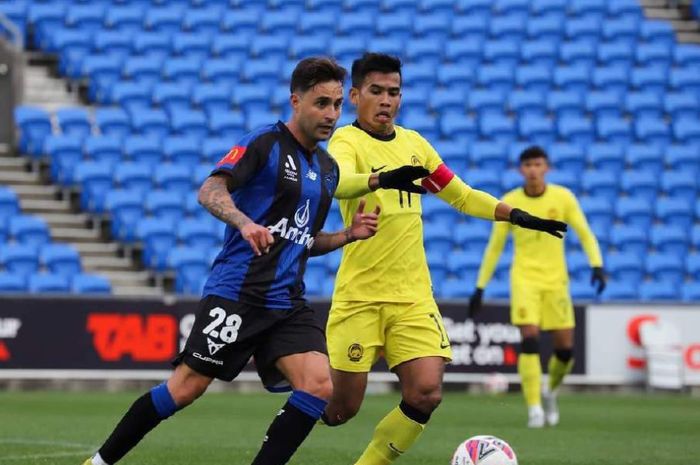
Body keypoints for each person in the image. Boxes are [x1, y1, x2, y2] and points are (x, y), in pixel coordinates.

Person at [82, 57, 429, 465]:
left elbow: (303, 240)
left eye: (336, 104)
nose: (331, 114)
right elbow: (210, 191)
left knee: (318, 385)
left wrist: (346, 236)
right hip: (238, 294)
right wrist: (245, 223)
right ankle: (100, 461)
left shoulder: (328, 170)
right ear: (295, 101)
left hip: (286, 303)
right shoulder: (264, 143)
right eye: (321, 103)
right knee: (186, 388)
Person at [319, 52, 567, 465]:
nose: (386, 100)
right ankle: (296, 407)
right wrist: (382, 178)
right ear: (355, 95)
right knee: (340, 410)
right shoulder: (347, 140)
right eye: (376, 91)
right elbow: (340, 183)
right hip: (359, 295)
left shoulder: (415, 146)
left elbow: (462, 195)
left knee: (427, 391)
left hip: (412, 295)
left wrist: (516, 215)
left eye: (393, 92)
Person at [468, 146, 606, 428]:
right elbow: (494, 248)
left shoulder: (563, 197)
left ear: (547, 168)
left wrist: (597, 265)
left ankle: (551, 391)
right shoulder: (510, 202)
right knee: (529, 339)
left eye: (538, 164)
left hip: (557, 281)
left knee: (565, 352)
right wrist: (480, 287)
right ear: (521, 170)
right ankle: (534, 409)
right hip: (524, 279)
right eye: (528, 164)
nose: (533, 169)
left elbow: (585, 232)